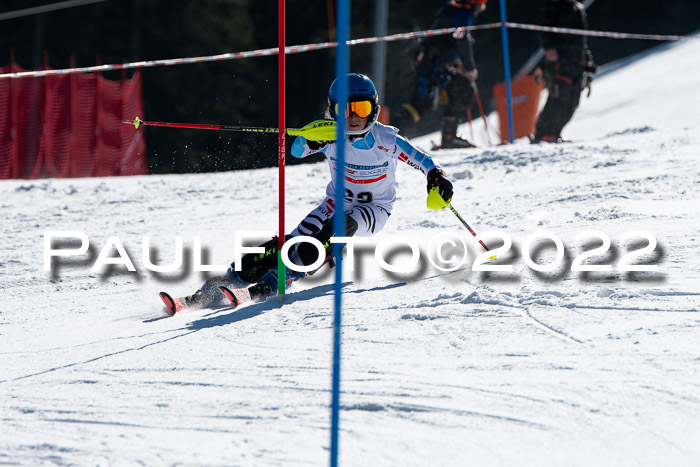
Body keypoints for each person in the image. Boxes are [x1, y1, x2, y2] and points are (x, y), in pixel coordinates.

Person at [160, 73, 454, 314]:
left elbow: (423, 159)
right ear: (333, 111)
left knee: (342, 225)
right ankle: (223, 283)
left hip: (374, 210)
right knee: (287, 243)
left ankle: (278, 280)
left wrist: (436, 177)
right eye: (345, 110)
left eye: (361, 109)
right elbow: (297, 149)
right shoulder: (330, 136)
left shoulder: (386, 139)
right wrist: (311, 141)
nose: (353, 118)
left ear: (374, 110)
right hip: (333, 203)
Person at [400, 0, 487, 149]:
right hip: (433, 62)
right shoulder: (464, 11)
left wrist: (457, 63)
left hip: (433, 60)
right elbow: (461, 39)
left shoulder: (452, 7)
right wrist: (469, 67)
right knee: (457, 90)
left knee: (452, 91)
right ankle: (394, 134)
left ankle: (448, 136)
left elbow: (448, 40)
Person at [533, 0, 597, 143]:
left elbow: (580, 40)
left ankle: (555, 133)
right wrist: (549, 47)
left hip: (576, 62)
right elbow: (543, 29)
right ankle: (542, 134)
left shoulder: (578, 8)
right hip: (559, 62)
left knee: (572, 102)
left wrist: (587, 59)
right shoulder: (553, 6)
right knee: (558, 98)